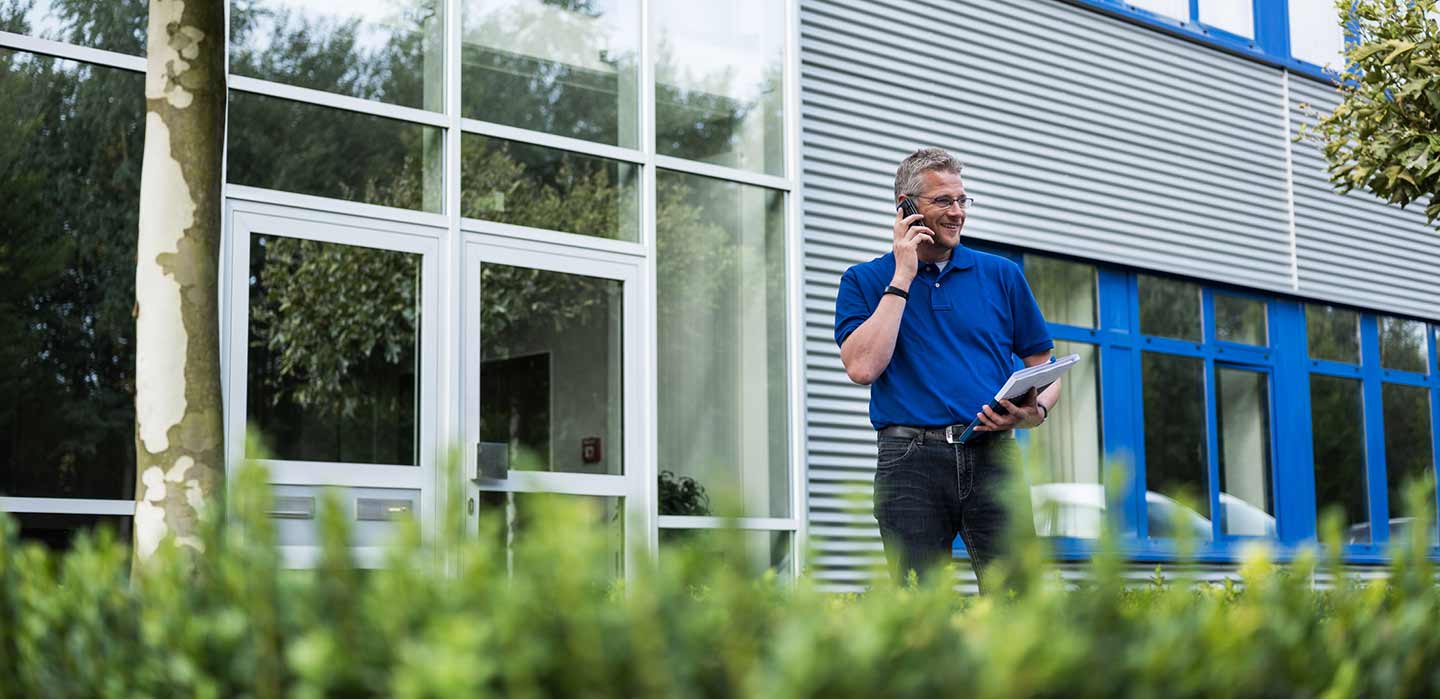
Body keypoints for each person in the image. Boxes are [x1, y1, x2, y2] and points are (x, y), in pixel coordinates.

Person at [832, 147, 1061, 589]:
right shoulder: (862, 280)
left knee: (1019, 601)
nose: (957, 212)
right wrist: (902, 277)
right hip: (909, 461)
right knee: (920, 608)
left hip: (994, 456)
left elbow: (1046, 368)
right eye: (944, 201)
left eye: (962, 200)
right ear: (906, 208)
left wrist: (1037, 412)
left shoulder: (1002, 275)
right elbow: (862, 367)